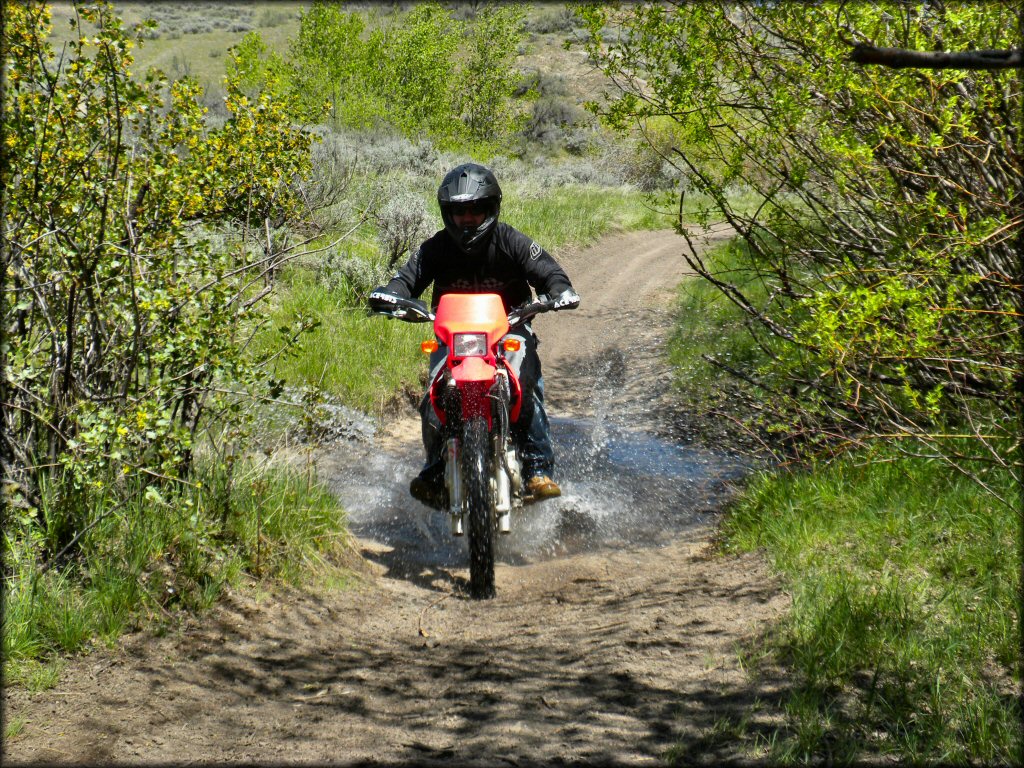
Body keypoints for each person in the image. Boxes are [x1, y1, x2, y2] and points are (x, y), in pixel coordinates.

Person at [368, 163, 580, 509]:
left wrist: (559, 291)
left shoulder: (511, 240)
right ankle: (436, 470)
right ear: (447, 214)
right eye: (458, 212)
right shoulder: (435, 247)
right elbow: (406, 279)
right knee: (434, 393)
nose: (467, 219)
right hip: (454, 336)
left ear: (491, 208)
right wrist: (392, 295)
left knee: (527, 385)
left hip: (509, 329)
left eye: (475, 210)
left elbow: (549, 272)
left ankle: (538, 469)